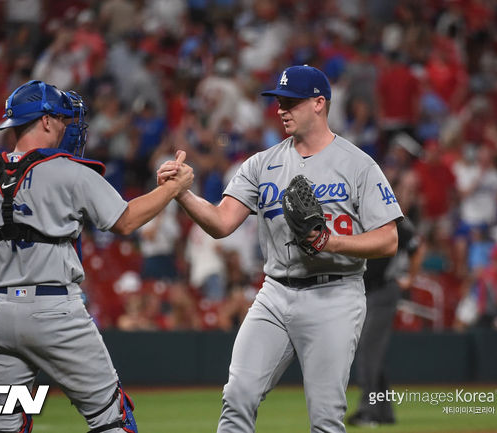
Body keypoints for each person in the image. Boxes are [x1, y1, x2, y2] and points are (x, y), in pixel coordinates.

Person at [158, 65, 402, 433]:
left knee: (325, 418)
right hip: (275, 292)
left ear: (319, 103)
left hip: (334, 294)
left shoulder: (359, 165)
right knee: (237, 395)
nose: (281, 109)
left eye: (291, 102)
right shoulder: (260, 164)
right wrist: (182, 194)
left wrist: (330, 242)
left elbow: (388, 239)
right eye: (279, 102)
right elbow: (222, 223)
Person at [0, 80, 192, 433]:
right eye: (62, 118)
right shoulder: (69, 170)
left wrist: (9, 274)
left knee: (2, 426)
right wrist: (173, 188)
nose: (66, 126)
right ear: (45, 121)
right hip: (54, 311)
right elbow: (125, 222)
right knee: (113, 418)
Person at [347, 217, 424, 426]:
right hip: (365, 291)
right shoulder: (362, 214)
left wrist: (410, 278)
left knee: (368, 352)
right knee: (373, 355)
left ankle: (369, 412)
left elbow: (417, 248)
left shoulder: (393, 218)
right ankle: (384, 411)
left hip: (382, 290)